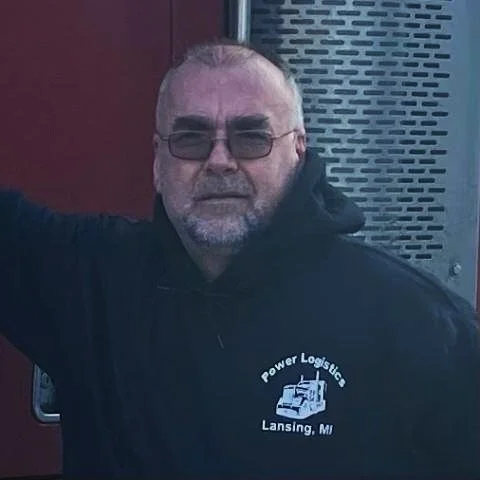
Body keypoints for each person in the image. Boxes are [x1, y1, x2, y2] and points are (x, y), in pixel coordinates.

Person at [1, 38, 479, 479]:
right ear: (157, 161)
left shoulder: (415, 322)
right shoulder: (87, 281)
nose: (219, 161)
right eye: (191, 138)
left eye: (251, 137)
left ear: (298, 150)